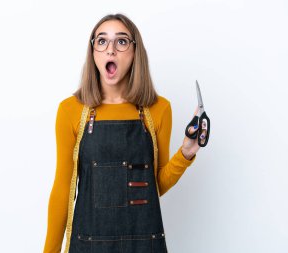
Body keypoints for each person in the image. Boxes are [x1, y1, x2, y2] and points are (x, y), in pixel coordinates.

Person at [43, 13, 201, 253]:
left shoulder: (158, 109)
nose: (111, 50)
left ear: (135, 51)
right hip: (88, 245)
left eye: (122, 41)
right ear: (93, 51)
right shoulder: (70, 110)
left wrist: (186, 153)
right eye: (102, 41)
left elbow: (154, 185)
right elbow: (63, 188)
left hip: (144, 245)